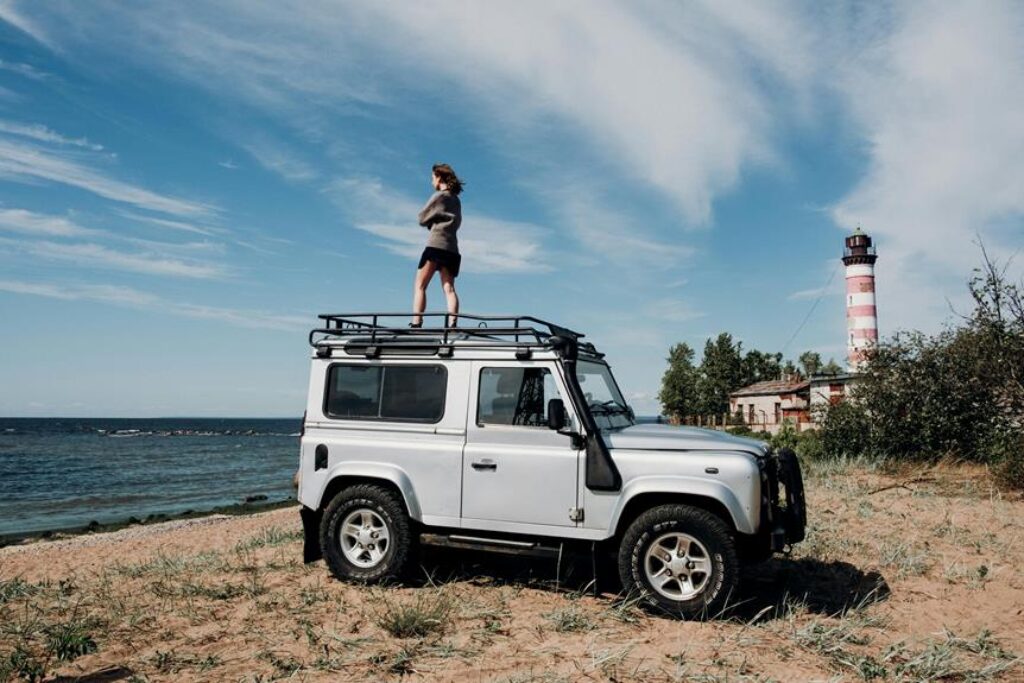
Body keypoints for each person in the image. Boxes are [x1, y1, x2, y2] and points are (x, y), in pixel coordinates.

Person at [411, 163, 463, 328]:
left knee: (420, 285)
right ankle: (452, 325)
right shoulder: (456, 200)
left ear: (439, 177)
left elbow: (422, 217)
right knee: (449, 289)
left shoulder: (439, 196)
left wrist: (431, 222)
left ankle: (416, 323)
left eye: (433, 177)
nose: (432, 181)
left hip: (435, 245)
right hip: (452, 248)